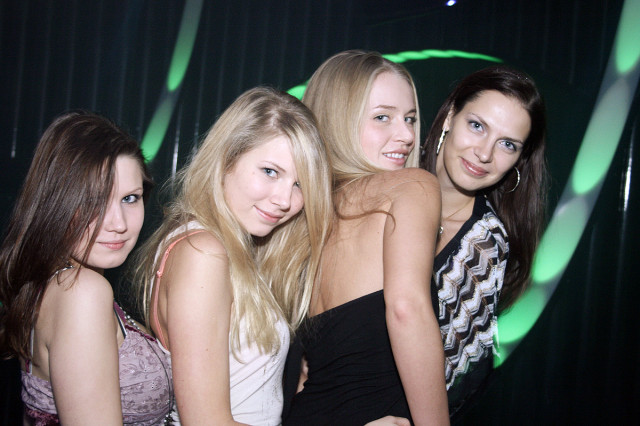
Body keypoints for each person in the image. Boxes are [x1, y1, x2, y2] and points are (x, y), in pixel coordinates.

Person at [132, 87, 333, 425]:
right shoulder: (203, 253)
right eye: (270, 171)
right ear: (226, 160)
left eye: (299, 184)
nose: (285, 200)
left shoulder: (228, 248)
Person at [283, 50, 449, 425]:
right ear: (337, 121)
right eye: (382, 117)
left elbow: (304, 371)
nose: (407, 135)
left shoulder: (302, 221)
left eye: (410, 118)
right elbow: (406, 308)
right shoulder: (413, 186)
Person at [0, 112, 173, 425]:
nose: (118, 224)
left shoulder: (56, 285)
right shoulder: (81, 291)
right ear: (56, 203)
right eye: (94, 201)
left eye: (130, 198)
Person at [421, 65, 547, 419]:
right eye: (477, 126)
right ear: (450, 116)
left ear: (519, 158)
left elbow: (451, 381)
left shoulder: (484, 246)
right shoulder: (383, 178)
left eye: (507, 144)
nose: (485, 153)